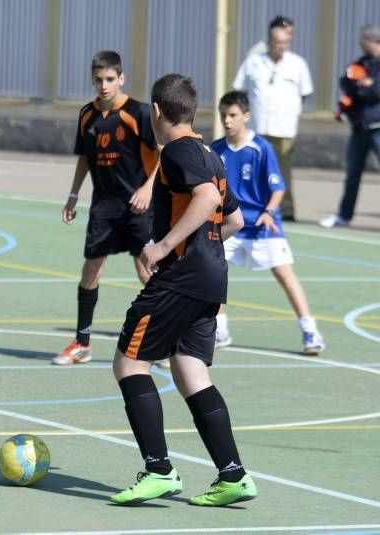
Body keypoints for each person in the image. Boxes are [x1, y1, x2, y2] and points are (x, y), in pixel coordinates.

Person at [109, 74, 257, 507]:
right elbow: (234, 220)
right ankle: (233, 475)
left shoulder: (177, 151)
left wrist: (163, 248)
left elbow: (208, 199)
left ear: (156, 110)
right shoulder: (211, 152)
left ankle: (159, 469)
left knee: (129, 364)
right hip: (209, 277)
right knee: (190, 372)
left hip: (181, 278)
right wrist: (203, 250)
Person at [54, 50, 158, 366]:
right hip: (103, 206)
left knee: (147, 271)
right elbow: (85, 156)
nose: (104, 85)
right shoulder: (87, 115)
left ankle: (164, 338)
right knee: (91, 269)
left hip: (138, 207)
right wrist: (73, 194)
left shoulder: (138, 113)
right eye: (98, 80)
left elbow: (163, 153)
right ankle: (82, 342)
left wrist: (147, 188)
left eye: (110, 79)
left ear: (121, 78)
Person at [211, 91, 325, 355]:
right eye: (223, 115)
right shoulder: (216, 149)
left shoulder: (261, 148)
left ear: (246, 116)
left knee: (285, 273)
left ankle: (309, 330)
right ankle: (219, 327)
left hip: (263, 224)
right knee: (214, 270)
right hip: (230, 224)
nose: (227, 121)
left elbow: (277, 188)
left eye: (233, 115)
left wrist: (269, 211)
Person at [233, 15, 313, 222]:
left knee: (282, 170)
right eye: (276, 43)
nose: (280, 47)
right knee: (254, 169)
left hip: (285, 128)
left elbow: (305, 93)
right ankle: (252, 206)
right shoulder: (253, 62)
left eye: (284, 43)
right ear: (269, 41)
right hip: (258, 126)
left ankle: (285, 210)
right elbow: (239, 90)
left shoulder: (297, 64)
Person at [321, 24, 380, 228]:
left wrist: (367, 87)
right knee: (352, 175)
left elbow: (376, 91)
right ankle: (344, 216)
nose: (361, 43)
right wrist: (363, 85)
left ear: (373, 41)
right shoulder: (360, 63)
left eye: (364, 40)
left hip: (378, 128)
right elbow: (346, 81)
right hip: (359, 129)